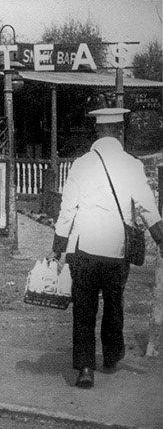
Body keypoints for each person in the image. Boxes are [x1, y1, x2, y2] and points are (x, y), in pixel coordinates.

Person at [51, 107, 163, 389]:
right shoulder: (132, 165)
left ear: (97, 132)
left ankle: (86, 368)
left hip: (83, 249)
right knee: (114, 305)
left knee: (84, 310)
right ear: (120, 131)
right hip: (116, 250)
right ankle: (111, 357)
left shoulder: (81, 164)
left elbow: (68, 209)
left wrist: (58, 246)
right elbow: (147, 207)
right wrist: (161, 239)